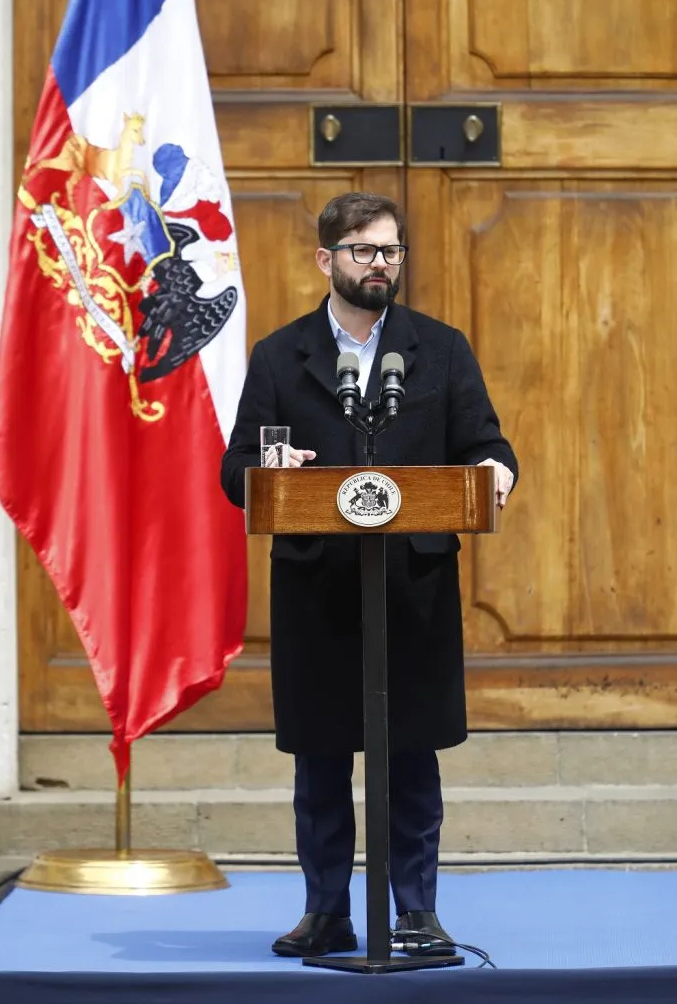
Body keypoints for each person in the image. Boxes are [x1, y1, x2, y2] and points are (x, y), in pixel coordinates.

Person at [221, 192, 518, 958]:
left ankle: (415, 915)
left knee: (410, 757)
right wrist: (270, 469)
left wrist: (494, 475)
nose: (380, 264)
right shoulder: (279, 355)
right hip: (316, 589)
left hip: (410, 590)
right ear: (326, 259)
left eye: (390, 251)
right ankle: (326, 912)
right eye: (363, 251)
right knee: (320, 760)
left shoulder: (439, 348)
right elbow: (236, 468)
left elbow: (487, 447)